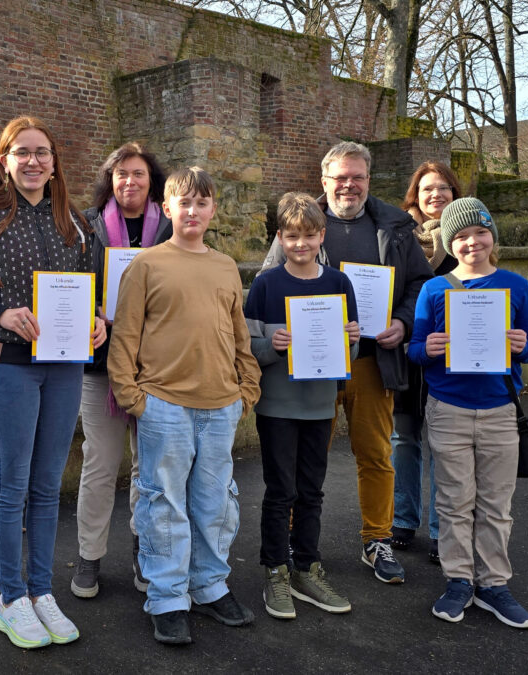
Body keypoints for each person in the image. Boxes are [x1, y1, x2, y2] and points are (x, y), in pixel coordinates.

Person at [0, 116, 106, 649]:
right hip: (11, 363)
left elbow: (94, 290)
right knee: (13, 482)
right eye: (22, 152)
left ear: (55, 161)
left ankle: (41, 589)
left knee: (48, 482)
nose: (33, 161)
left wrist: (100, 320)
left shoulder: (77, 223)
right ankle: (12, 598)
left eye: (43, 153)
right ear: (5, 159)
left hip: (64, 366)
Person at [261, 141, 432, 584]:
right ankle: (297, 540)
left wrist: (403, 321)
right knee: (301, 457)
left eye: (357, 176)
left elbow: (419, 284)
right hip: (306, 365)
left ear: (368, 180)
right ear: (325, 181)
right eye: (340, 177)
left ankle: (377, 539)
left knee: (374, 453)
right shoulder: (301, 222)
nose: (349, 185)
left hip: (372, 359)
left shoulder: (395, 225)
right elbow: (266, 284)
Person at [108, 167, 261, 645]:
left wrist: (247, 387)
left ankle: (210, 586)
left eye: (202, 203)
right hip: (163, 405)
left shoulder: (225, 266)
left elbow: (238, 333)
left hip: (220, 404)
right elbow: (125, 336)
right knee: (163, 502)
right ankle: (168, 596)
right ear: (167, 208)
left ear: (213, 209)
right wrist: (134, 397)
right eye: (184, 203)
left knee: (214, 502)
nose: (192, 211)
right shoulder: (147, 264)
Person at [407, 197, 528, 628]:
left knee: (496, 505)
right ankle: (459, 580)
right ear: (449, 242)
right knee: (453, 502)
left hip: (500, 409)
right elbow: (415, 349)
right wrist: (425, 349)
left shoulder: (515, 286)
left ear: (492, 237)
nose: (471, 243)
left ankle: (494, 584)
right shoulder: (435, 288)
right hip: (448, 409)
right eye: (461, 236)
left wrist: (524, 346)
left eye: (479, 232)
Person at [245, 193, 360, 620]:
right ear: (280, 237)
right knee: (280, 492)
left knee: (312, 491)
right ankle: (275, 570)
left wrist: (351, 336)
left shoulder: (338, 283)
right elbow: (247, 345)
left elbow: (350, 344)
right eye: (292, 236)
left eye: (309, 236)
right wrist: (271, 347)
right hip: (277, 405)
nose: (300, 244)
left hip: (319, 404)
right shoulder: (266, 284)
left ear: (321, 236)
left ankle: (306, 568)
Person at [71, 142, 171, 599]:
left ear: (153, 181)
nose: (129, 182)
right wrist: (89, 309)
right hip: (100, 365)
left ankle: (141, 549)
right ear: (109, 180)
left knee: (148, 468)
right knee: (100, 464)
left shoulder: (170, 227)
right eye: (121, 174)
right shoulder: (86, 226)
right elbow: (69, 283)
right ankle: (89, 556)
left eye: (139, 174)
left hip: (156, 366)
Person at [390, 161, 464, 562]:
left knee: (444, 446)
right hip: (405, 353)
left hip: (450, 359)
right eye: (427, 189)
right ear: (414, 197)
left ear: (455, 193)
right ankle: (403, 519)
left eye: (444, 188)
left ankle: (441, 530)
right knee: (404, 440)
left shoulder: (468, 236)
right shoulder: (399, 237)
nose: (436, 195)